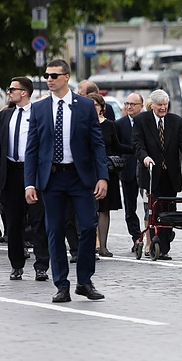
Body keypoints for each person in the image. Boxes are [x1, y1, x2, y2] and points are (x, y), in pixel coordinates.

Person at [24, 59, 109, 303]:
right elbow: (32, 148)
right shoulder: (39, 108)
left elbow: (97, 144)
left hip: (80, 177)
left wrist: (102, 177)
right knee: (55, 230)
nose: (49, 79)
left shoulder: (85, 106)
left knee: (88, 226)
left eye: (54, 75)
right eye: (46, 76)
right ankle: (61, 284)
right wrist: (29, 183)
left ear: (66, 77)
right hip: (51, 177)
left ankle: (85, 281)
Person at [0, 77, 50, 281]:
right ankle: (16, 264)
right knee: (13, 221)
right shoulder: (5, 115)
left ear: (24, 92)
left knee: (39, 220)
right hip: (11, 172)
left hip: (35, 173)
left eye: (12, 89)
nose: (9, 92)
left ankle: (42, 265)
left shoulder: (39, 113)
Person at [132, 89, 182, 259]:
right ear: (152, 105)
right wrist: (145, 158)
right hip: (152, 174)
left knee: (169, 210)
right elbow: (137, 144)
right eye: (159, 105)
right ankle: (158, 246)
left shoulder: (176, 121)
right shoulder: (141, 120)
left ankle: (164, 243)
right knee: (155, 210)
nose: (162, 108)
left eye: (165, 104)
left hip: (170, 175)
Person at [89, 93, 130, 257]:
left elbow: (117, 146)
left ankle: (103, 246)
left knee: (104, 209)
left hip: (106, 170)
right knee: (88, 209)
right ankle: (90, 245)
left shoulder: (109, 125)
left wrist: (137, 150)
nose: (92, 108)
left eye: (95, 105)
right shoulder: (82, 124)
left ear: (102, 107)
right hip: (87, 171)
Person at [115, 93, 144, 251]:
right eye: (127, 104)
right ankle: (136, 238)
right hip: (128, 170)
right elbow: (117, 147)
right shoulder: (120, 124)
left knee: (150, 205)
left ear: (141, 106)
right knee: (130, 207)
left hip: (146, 169)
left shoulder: (147, 121)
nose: (129, 107)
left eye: (133, 104)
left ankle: (153, 236)